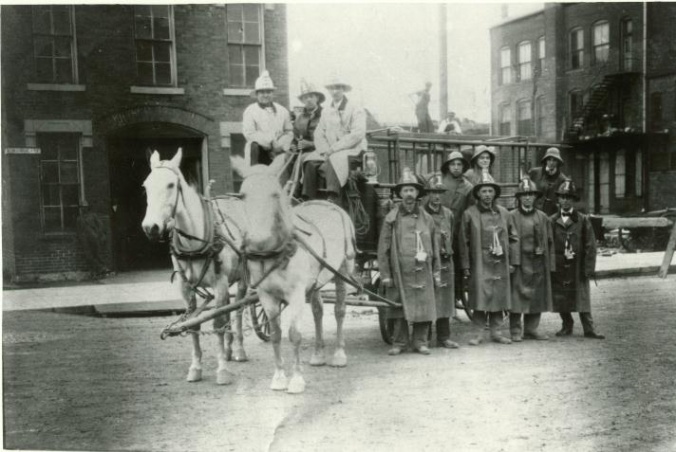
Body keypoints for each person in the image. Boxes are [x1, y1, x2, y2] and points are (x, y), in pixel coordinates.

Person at [378, 168, 441, 356]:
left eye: (412, 190)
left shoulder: (427, 218)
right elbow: (383, 248)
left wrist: (436, 270)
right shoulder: (392, 218)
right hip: (400, 271)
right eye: (405, 191)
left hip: (422, 270)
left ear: (417, 193)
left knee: (423, 304)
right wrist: (386, 274)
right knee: (399, 307)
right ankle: (399, 342)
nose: (409, 195)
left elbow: (435, 247)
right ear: (400, 194)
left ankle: (421, 342)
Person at [459, 172, 519, 345]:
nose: (487, 195)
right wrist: (466, 266)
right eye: (484, 191)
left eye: (490, 191)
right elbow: (464, 242)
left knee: (498, 297)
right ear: (478, 193)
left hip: (500, 262)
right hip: (479, 262)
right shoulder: (469, 214)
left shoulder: (504, 213)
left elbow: (514, 238)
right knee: (480, 297)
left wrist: (513, 261)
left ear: (495, 193)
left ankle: (497, 332)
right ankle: (478, 333)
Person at [550, 180, 605, 339]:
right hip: (559, 265)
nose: (565, 200)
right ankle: (567, 324)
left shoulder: (583, 220)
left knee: (582, 297)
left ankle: (589, 328)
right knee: (561, 296)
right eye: (562, 197)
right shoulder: (552, 220)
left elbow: (590, 245)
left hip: (577, 266)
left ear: (574, 200)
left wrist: (588, 268)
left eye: (569, 197)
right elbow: (548, 243)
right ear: (558, 200)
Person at [508, 177, 555, 342]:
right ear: (519, 197)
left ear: (535, 197)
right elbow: (507, 240)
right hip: (519, 262)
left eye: (530, 194)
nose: (527, 198)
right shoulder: (511, 216)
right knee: (516, 296)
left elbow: (549, 242)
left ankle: (531, 329)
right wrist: (511, 262)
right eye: (524, 194)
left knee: (536, 296)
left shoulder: (543, 217)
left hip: (537, 263)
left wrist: (550, 263)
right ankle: (515, 330)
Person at [314, 75, 367, 202]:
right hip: (330, 150)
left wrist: (333, 149)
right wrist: (324, 150)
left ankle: (333, 196)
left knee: (335, 159)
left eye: (338, 88)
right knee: (310, 162)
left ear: (343, 89)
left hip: (353, 149)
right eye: (332, 88)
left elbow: (358, 134)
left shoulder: (356, 108)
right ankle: (309, 198)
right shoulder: (326, 111)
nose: (335, 91)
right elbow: (319, 132)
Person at [423, 174, 459, 349]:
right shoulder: (422, 213)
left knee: (444, 299)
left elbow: (452, 236)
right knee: (428, 298)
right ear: (427, 194)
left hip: (445, 261)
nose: (436, 196)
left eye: (439, 192)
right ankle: (425, 337)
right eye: (433, 192)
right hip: (427, 262)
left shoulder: (448, 214)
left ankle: (444, 337)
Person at [439, 150, 474, 305]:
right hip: (440, 230)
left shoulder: (468, 187)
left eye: (459, 164)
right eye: (453, 164)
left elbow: (470, 211)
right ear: (448, 166)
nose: (456, 167)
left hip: (458, 231)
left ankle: (456, 295)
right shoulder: (439, 183)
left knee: (457, 263)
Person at [242, 70, 294, 166]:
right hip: (259, 152)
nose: (265, 95)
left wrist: (281, 144)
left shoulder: (282, 111)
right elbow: (250, 134)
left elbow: (289, 131)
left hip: (279, 151)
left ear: (272, 93)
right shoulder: (250, 111)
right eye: (262, 92)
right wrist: (270, 142)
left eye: (268, 92)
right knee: (254, 148)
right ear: (257, 94)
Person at [288, 79, 325, 200]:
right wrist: (293, 146)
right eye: (305, 97)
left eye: (311, 96)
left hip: (321, 150)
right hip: (302, 151)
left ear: (317, 98)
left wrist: (310, 144)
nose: (308, 99)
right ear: (302, 100)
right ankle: (285, 190)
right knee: (286, 156)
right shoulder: (300, 118)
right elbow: (295, 136)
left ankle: (298, 194)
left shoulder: (326, 115)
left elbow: (330, 138)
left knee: (304, 159)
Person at [528, 147, 569, 216]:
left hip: (552, 216)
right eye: (549, 159)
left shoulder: (563, 180)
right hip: (534, 213)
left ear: (558, 162)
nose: (551, 162)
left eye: (554, 160)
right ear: (545, 160)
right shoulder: (534, 173)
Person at [76, 202, 111, 278]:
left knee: (98, 254)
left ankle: (101, 271)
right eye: (82, 207)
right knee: (89, 256)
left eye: (85, 207)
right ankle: (101, 269)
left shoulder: (93, 216)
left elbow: (100, 226)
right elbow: (79, 231)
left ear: (87, 207)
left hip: (95, 238)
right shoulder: (79, 218)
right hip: (85, 240)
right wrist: (80, 239)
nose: (83, 209)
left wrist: (99, 235)